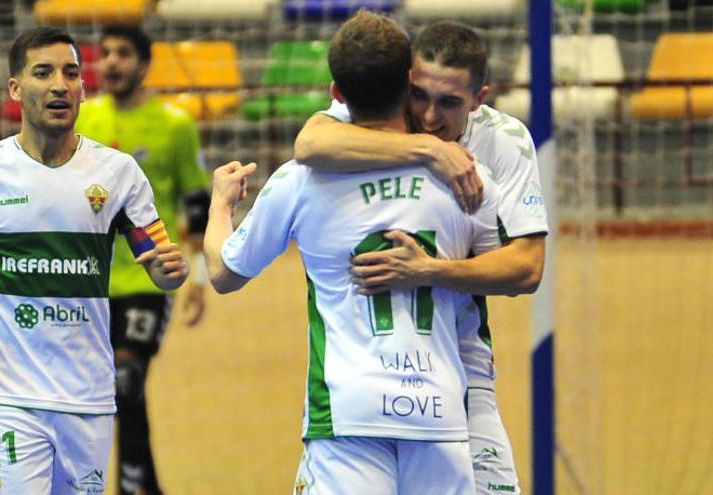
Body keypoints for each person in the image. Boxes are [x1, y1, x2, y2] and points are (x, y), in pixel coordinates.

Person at [205, 11, 503, 494]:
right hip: (440, 415)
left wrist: (221, 204)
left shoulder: (301, 180)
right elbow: (516, 269)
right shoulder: (466, 176)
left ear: (335, 93)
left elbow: (223, 271)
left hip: (347, 414)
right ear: (410, 82)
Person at [0, 26, 188, 494]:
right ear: (15, 89)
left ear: (82, 88)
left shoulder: (119, 175)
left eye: (71, 72)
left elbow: (156, 261)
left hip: (88, 398)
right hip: (8, 394)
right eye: (44, 72)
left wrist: (170, 270)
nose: (60, 84)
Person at [293, 20, 550, 494]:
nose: (429, 115)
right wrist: (429, 150)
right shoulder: (380, 116)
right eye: (420, 96)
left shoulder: (504, 140)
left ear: (480, 98)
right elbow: (309, 143)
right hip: (365, 380)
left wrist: (428, 271)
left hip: (463, 369)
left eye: (450, 103)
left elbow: (528, 267)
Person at [75, 24, 211, 495]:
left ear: (144, 64)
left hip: (148, 280)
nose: (111, 62)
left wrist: (198, 281)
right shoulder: (83, 120)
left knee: (125, 382)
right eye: (105, 53)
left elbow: (197, 204)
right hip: (88, 283)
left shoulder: (174, 125)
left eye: (123, 54)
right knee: (90, 396)